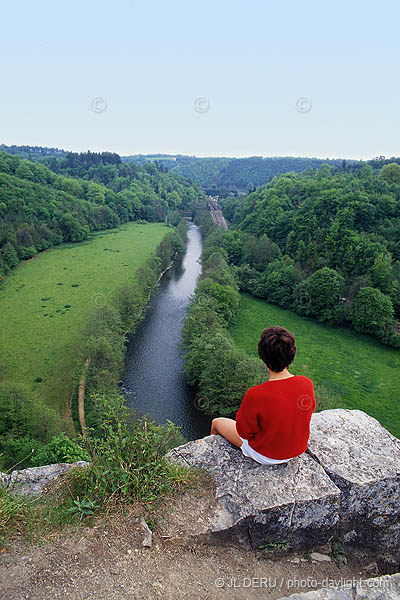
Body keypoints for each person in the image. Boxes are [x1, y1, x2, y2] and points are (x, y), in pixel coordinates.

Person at [210, 326, 316, 465]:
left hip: (266, 456)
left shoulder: (256, 394)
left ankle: (209, 454)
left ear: (262, 355)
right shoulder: (306, 383)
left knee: (216, 422)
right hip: (297, 450)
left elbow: (244, 433)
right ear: (292, 354)